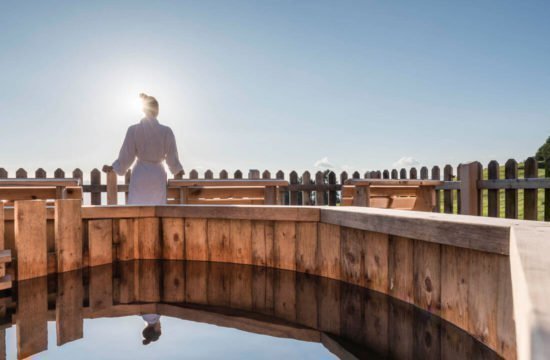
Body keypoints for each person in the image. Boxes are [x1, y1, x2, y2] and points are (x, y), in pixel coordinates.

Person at [103, 93, 184, 204]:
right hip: (157, 175)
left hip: (140, 175)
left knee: (137, 208)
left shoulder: (133, 130)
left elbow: (126, 156)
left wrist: (115, 167)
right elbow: (172, 157)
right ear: (157, 111)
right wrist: (178, 170)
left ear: (144, 110)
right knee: (157, 210)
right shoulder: (166, 131)